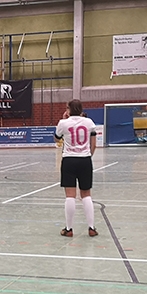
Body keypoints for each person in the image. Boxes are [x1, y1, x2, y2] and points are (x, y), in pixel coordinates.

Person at [55, 99, 98, 237]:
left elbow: (57, 139)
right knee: (86, 194)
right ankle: (91, 227)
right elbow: (94, 144)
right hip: (85, 160)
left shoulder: (63, 123)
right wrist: (88, 156)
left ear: (68, 110)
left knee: (70, 195)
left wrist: (64, 120)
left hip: (69, 160)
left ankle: (69, 228)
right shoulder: (89, 123)